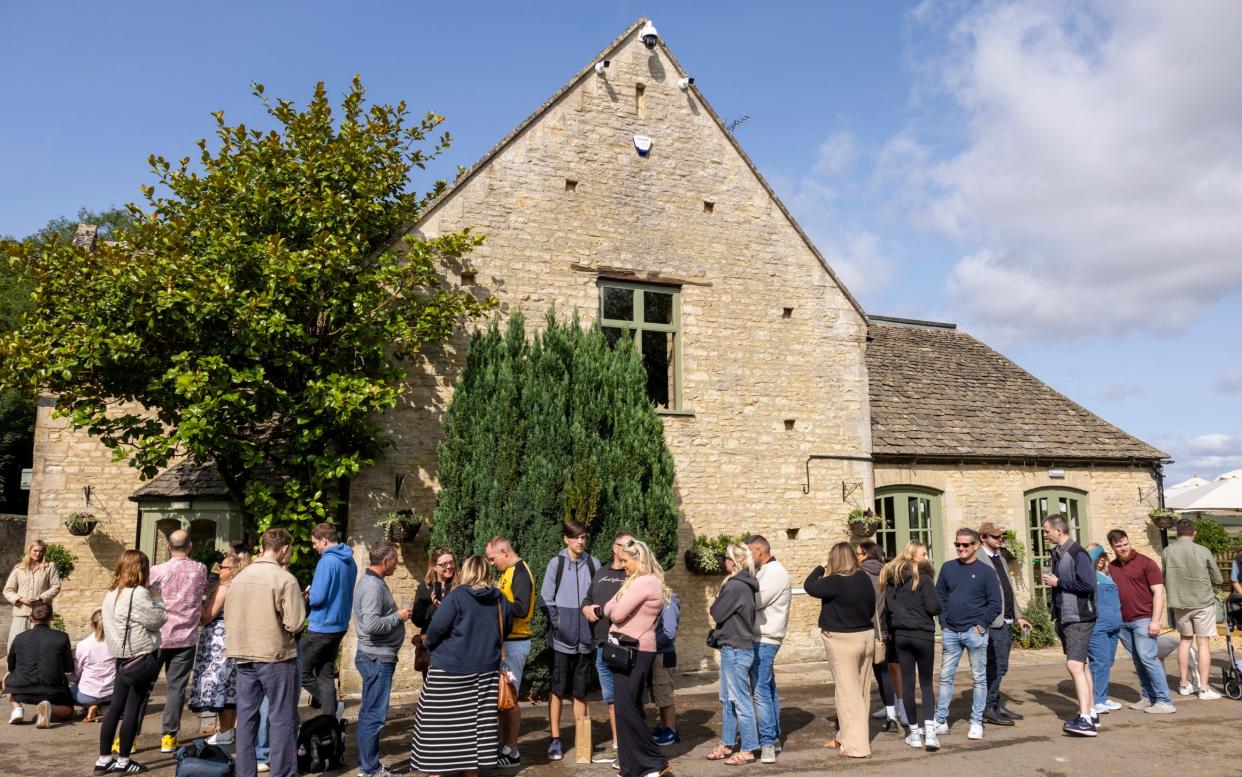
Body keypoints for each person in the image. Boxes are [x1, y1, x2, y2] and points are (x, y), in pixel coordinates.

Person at [410, 555, 512, 777]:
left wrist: (431, 645)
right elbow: (507, 628)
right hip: (485, 671)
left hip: (449, 670)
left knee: (439, 725)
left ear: (466, 571)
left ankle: (437, 770)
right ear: (487, 572)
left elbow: (436, 629)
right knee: (475, 726)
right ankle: (470, 771)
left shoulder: (457, 596)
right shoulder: (500, 599)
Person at [226, 527, 306, 777]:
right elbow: (294, 623)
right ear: (283, 549)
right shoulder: (285, 579)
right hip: (275, 655)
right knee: (282, 719)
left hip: (243, 654)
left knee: (247, 720)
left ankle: (245, 773)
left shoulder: (239, 577)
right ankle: (281, 773)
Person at [96, 549, 168, 776]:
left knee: (115, 707)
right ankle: (124, 761)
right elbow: (158, 620)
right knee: (132, 709)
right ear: (142, 569)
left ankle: (103, 759)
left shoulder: (111, 592)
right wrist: (156, 596)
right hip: (140, 655)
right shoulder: (138, 594)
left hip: (121, 655)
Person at [602, 539, 670, 777]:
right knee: (625, 709)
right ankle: (632, 767)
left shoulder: (644, 582)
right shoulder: (634, 582)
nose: (623, 566)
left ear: (638, 560)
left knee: (627, 709)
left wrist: (617, 606)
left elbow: (616, 613)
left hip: (636, 651)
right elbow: (609, 605)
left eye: (627, 561)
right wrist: (616, 605)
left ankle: (656, 762)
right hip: (629, 650)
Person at [804, 541, 876, 759]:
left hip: (842, 640)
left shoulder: (833, 581)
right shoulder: (863, 578)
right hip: (865, 636)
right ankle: (845, 736)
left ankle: (857, 747)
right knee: (861, 692)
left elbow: (809, 586)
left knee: (847, 694)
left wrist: (820, 566)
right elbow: (872, 606)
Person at [537, 520, 599, 762]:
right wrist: (559, 625)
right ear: (566, 539)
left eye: (583, 537)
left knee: (581, 692)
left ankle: (582, 742)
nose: (580, 541)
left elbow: (598, 600)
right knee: (558, 689)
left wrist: (593, 624)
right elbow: (545, 598)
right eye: (575, 537)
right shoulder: (557, 564)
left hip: (586, 640)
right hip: (561, 641)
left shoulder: (594, 563)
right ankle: (555, 740)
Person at [934, 527, 1001, 741]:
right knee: (945, 677)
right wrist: (944, 624)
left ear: (976, 546)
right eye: (957, 544)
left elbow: (995, 604)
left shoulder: (987, 572)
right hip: (951, 632)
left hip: (975, 633)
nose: (960, 548)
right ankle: (941, 721)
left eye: (965, 545)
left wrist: (981, 626)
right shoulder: (947, 568)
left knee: (979, 678)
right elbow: (940, 598)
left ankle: (976, 722)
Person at [353, 540, 411, 777]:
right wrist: (398, 617)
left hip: (376, 657)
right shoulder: (372, 586)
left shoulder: (372, 582)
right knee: (373, 715)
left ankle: (370, 766)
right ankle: (370, 769)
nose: (397, 564)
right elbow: (371, 624)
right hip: (376, 658)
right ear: (385, 560)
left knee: (371, 712)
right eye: (395, 559)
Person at [148, 529, 208, 753]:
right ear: (190, 546)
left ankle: (129, 737)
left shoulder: (156, 571)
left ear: (168, 547)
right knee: (176, 689)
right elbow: (203, 591)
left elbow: (146, 595)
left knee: (143, 687)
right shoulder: (199, 569)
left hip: (157, 636)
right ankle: (168, 736)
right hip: (185, 637)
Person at [1041, 514, 1099, 736]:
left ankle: (1085, 720)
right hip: (1067, 616)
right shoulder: (1058, 553)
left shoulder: (1077, 553)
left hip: (1079, 617)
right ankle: (1091, 712)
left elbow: (1089, 584)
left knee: (1074, 666)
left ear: (1059, 531)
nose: (1045, 534)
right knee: (1082, 664)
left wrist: (1059, 583)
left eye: (1047, 531)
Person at [579, 529, 635, 765]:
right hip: (601, 644)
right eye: (625, 545)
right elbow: (587, 600)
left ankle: (631, 749)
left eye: (633, 546)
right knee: (611, 699)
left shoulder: (634, 574)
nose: (629, 550)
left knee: (628, 699)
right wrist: (586, 609)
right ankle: (617, 746)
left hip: (624, 645)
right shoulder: (601, 572)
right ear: (614, 547)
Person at [1106, 529, 1176, 714]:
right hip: (1123, 622)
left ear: (1129, 542)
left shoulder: (1146, 563)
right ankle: (1148, 697)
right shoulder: (1112, 567)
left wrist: (1155, 621)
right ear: (1112, 547)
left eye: (1125, 544)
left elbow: (1159, 592)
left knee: (1148, 658)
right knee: (1138, 661)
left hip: (1144, 619)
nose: (1123, 548)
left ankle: (1164, 701)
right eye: (1118, 546)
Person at [881, 541, 940, 751]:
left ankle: (914, 734)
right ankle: (930, 734)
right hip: (923, 634)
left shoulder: (892, 580)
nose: (926, 558)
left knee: (907, 684)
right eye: (923, 554)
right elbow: (933, 607)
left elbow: (887, 608)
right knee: (926, 683)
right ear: (914, 556)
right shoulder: (923, 578)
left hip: (901, 635)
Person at [706, 542, 760, 764]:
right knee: (728, 699)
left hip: (736, 649)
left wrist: (718, 597)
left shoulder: (736, 586)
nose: (724, 562)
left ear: (734, 561)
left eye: (726, 558)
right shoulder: (741, 584)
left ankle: (748, 749)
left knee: (739, 700)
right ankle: (727, 743)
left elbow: (716, 612)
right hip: (732, 647)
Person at [486, 536, 536, 768]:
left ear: (504, 552)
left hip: (516, 644)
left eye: (493, 558)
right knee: (503, 699)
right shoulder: (508, 571)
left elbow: (522, 609)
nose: (492, 563)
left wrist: (495, 599)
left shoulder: (521, 573)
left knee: (510, 697)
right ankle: (504, 746)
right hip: (506, 643)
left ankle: (512, 750)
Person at [188, 552, 247, 746]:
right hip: (233, 637)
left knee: (220, 685)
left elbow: (207, 616)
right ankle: (228, 730)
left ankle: (224, 730)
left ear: (232, 570)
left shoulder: (225, 587)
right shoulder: (241, 586)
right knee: (230, 687)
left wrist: (196, 601)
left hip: (219, 639)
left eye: (222, 567)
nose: (219, 570)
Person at [1161, 517, 1224, 699]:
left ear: (1177, 533)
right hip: (1203, 602)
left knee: (1185, 641)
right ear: (1194, 533)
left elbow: (1162, 576)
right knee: (1203, 643)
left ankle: (1183, 684)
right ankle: (1203, 688)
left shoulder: (1167, 552)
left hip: (1180, 603)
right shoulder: (1203, 550)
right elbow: (1219, 579)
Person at [977, 522, 1031, 725]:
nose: (1000, 540)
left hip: (1006, 620)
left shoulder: (1000, 557)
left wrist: (1019, 616)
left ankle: (995, 704)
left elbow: (1008, 590)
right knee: (996, 666)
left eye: (1001, 537)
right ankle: (987, 708)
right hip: (992, 623)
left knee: (1001, 666)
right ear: (983, 538)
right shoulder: (978, 559)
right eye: (995, 537)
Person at [302, 522, 356, 719]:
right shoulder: (350, 561)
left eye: (315, 543)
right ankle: (329, 720)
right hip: (340, 625)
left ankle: (332, 708)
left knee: (300, 670)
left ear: (324, 540)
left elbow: (317, 597)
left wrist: (307, 596)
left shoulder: (327, 561)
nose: (314, 547)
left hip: (322, 625)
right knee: (325, 674)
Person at [746, 534, 790, 764]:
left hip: (765, 638)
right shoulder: (765, 571)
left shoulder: (775, 572)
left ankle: (767, 743)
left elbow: (755, 601)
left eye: (748, 552)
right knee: (768, 688)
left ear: (758, 551)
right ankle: (772, 737)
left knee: (760, 691)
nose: (746, 557)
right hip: (761, 637)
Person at [856, 541, 901, 733]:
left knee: (857, 677)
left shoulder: (858, 575)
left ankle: (854, 720)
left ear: (866, 555)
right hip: (882, 633)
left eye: (858, 553)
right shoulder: (887, 574)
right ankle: (892, 717)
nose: (856, 556)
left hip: (861, 631)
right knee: (883, 675)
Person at [5, 601, 73, 728]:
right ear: (51, 618)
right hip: (53, 692)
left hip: (21, 692)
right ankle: (50, 707)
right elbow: (69, 667)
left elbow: (11, 666)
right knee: (68, 710)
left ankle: (17, 708)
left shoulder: (19, 637)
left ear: (30, 618)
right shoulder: (62, 637)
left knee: (7, 679)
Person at [4, 539, 61, 653]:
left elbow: (56, 586)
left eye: (41, 551)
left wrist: (41, 598)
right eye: (35, 551)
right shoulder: (18, 568)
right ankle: (12, 668)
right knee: (15, 643)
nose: (38, 554)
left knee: (40, 644)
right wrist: (20, 599)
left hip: (41, 614)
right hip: (21, 613)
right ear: (29, 551)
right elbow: (8, 590)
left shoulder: (49, 567)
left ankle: (38, 668)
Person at [1087, 545, 1123, 715]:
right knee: (1099, 661)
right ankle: (1096, 700)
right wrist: (1097, 548)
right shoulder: (1088, 574)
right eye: (1098, 556)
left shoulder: (1105, 575)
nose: (1101, 558)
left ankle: (1102, 696)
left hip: (1114, 626)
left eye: (1104, 556)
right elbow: (1089, 560)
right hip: (1098, 626)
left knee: (1107, 661)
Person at [411, 546, 456, 680]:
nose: (449, 567)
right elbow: (417, 620)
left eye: (451, 563)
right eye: (444, 564)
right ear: (434, 567)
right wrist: (433, 608)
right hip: (431, 649)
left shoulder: (458, 586)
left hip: (453, 646)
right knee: (431, 689)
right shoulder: (424, 588)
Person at [650, 588, 681, 747]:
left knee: (665, 692)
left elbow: (669, 632)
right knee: (659, 693)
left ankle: (671, 731)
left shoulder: (668, 602)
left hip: (663, 654)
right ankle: (663, 727)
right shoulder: (662, 600)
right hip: (659, 653)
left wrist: (651, 644)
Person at [73, 609, 116, 721]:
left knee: (67, 690)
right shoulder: (118, 643)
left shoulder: (83, 645)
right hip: (113, 692)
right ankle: (103, 708)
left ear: (92, 625)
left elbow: (77, 673)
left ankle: (89, 706)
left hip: (87, 695)